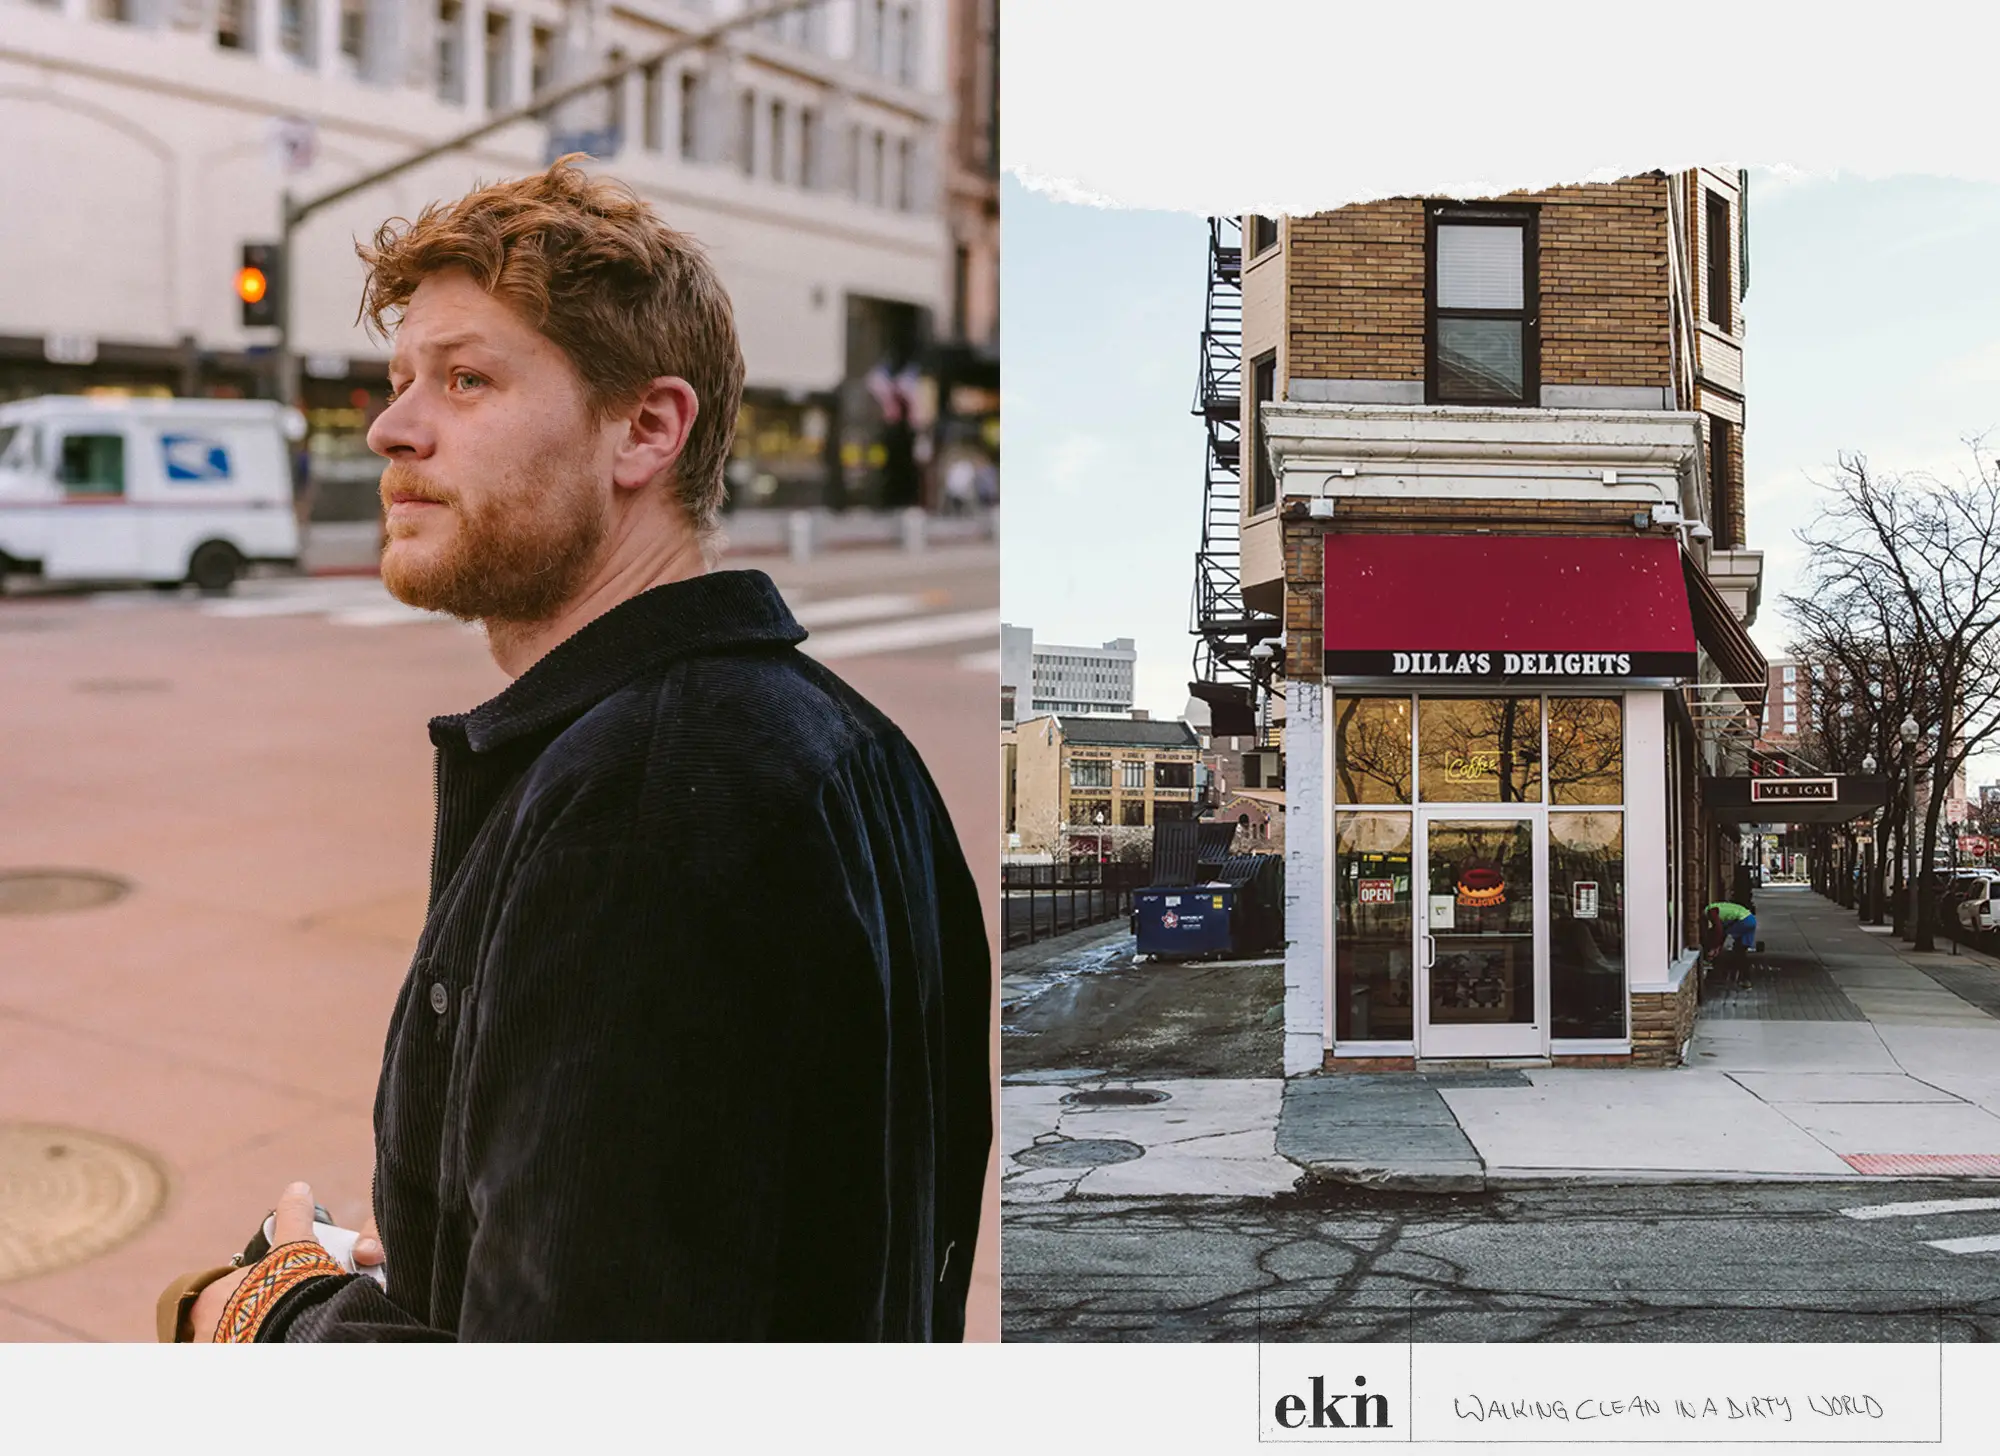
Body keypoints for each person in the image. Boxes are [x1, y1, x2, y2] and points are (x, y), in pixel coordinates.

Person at [160, 158, 991, 1343]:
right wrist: (473, 1239)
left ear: (645, 428)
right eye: (400, 382)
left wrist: (264, 1317)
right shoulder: (854, 745)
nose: (393, 427)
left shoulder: (642, 806)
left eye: (465, 379)